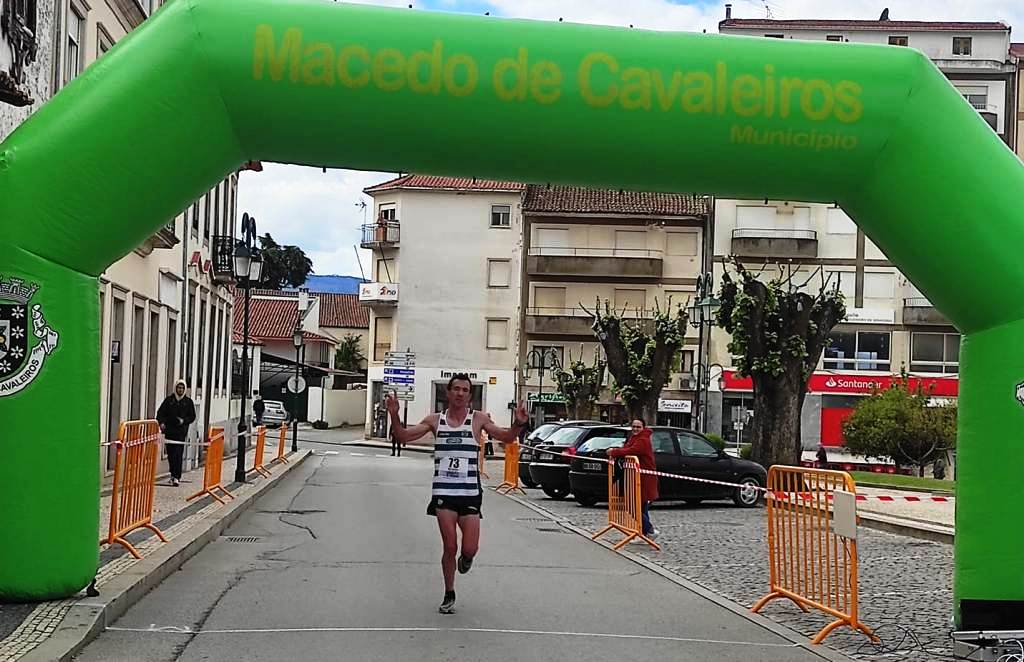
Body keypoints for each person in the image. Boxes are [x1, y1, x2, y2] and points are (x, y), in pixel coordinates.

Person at [386, 373, 528, 614]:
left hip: (470, 493)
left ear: (469, 395)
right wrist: (394, 413)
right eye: (456, 389)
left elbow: (505, 437)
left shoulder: (478, 419)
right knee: (450, 545)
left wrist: (518, 424)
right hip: (444, 493)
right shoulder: (434, 420)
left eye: (465, 390)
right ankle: (449, 592)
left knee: (469, 549)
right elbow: (403, 436)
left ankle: (467, 558)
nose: (460, 393)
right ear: (448, 393)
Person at [608, 419, 659, 540]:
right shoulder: (633, 438)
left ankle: (649, 530)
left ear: (643, 427)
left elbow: (632, 450)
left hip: (644, 479)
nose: (635, 429)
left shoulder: (643, 440)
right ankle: (644, 533)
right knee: (641, 507)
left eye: (638, 427)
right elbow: (627, 448)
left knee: (633, 507)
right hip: (635, 477)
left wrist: (614, 452)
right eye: (634, 426)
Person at [156, 380, 196, 486]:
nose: (180, 390)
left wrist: (184, 421)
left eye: (182, 388)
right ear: (175, 388)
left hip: (181, 433)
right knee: (171, 454)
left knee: (178, 454)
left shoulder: (188, 402)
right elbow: (160, 413)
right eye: (179, 387)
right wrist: (162, 423)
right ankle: (173, 474)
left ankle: (177, 476)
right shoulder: (169, 401)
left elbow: (192, 416)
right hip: (170, 432)